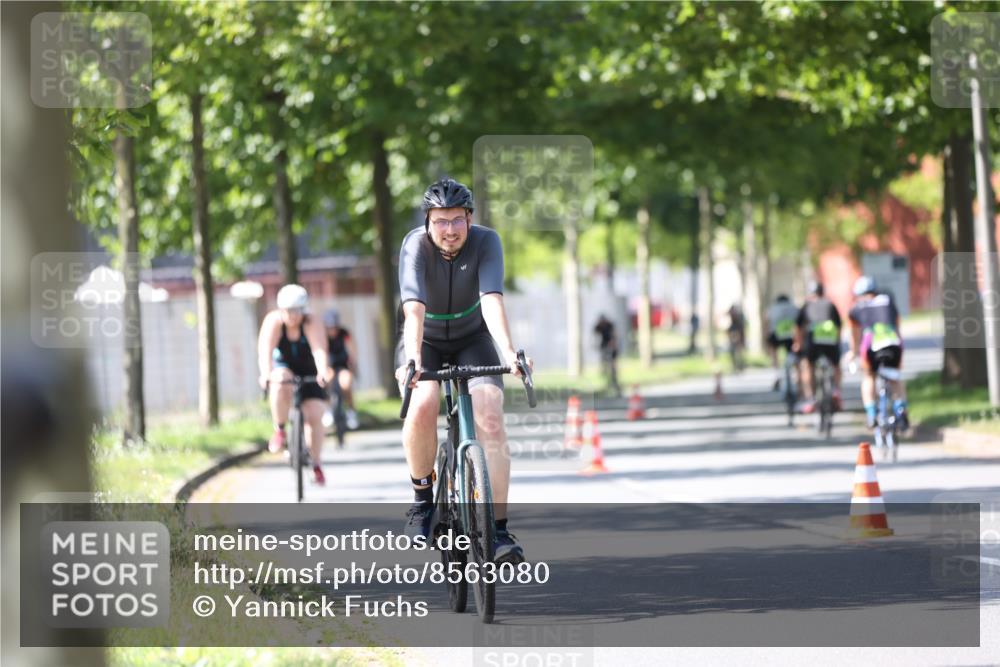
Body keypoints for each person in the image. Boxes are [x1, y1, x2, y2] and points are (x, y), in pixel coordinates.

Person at [396, 177, 532, 564]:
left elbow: (491, 300)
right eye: (441, 221)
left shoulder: (487, 242)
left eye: (457, 220)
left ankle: (500, 532)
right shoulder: (414, 246)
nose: (450, 230)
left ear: (470, 219)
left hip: (474, 338)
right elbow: (413, 310)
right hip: (424, 341)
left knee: (490, 412)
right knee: (423, 401)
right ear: (428, 222)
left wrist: (509, 353)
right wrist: (413, 360)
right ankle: (422, 504)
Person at [257, 284, 330, 485]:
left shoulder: (312, 322)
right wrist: (265, 374)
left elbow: (319, 350)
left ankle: (316, 463)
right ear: (281, 309)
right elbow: (265, 351)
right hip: (284, 366)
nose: (293, 316)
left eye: (297, 310)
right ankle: (280, 429)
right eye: (288, 311)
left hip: (309, 369)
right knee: (279, 380)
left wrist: (323, 371)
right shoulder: (273, 322)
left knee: (315, 414)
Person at [847, 276, 909, 430]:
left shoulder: (856, 308)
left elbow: (854, 335)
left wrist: (853, 352)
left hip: (871, 346)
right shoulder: (888, 301)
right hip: (893, 344)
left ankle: (871, 414)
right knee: (894, 377)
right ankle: (901, 411)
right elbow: (897, 326)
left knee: (868, 376)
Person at [795, 280, 843, 413]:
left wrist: (798, 343)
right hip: (830, 338)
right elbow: (839, 326)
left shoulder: (806, 305)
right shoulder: (830, 305)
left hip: (813, 339)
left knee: (807, 365)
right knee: (836, 365)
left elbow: (798, 327)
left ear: (811, 293)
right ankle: (836, 391)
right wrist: (837, 342)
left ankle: (810, 398)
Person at [322, 308, 359, 430]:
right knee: (326, 380)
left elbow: (352, 350)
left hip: (343, 365)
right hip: (329, 366)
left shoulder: (344, 334)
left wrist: (353, 365)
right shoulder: (322, 336)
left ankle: (351, 411)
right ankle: (328, 410)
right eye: (329, 328)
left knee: (346, 383)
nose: (332, 330)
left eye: (334, 327)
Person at [766, 294, 800, 391]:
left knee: (773, 350)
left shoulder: (772, 308)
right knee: (796, 352)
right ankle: (797, 374)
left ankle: (776, 373)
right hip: (791, 336)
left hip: (776, 335)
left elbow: (767, 322)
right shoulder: (794, 307)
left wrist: (766, 336)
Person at [593, 314, 621, 397]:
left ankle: (614, 382)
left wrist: (613, 344)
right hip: (604, 347)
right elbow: (595, 336)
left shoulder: (610, 325)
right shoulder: (598, 327)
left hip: (612, 348)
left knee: (613, 368)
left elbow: (615, 335)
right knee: (604, 365)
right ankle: (605, 376)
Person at [726, 303, 746, 372]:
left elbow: (741, 329)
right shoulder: (731, 318)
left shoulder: (739, 318)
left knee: (739, 352)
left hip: (738, 334)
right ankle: (735, 366)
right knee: (733, 351)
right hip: (733, 333)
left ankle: (740, 365)